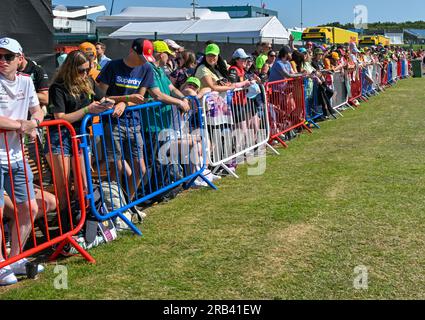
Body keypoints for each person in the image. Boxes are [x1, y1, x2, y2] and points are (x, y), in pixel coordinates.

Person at [0, 37, 45, 286]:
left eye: (8, 57)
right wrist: (22, 124)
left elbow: (37, 110)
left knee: (31, 208)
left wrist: (34, 122)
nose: (2, 61)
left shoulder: (27, 82)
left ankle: (15, 259)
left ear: (20, 59)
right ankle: (1, 265)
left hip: (16, 156)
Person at [45, 50, 112, 213]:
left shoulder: (88, 81)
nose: (85, 74)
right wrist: (88, 110)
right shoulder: (57, 87)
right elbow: (60, 117)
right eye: (81, 70)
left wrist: (108, 104)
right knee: (63, 186)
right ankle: (65, 225)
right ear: (70, 69)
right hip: (60, 137)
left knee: (83, 183)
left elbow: (103, 98)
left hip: (80, 136)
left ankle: (81, 221)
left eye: (87, 70)